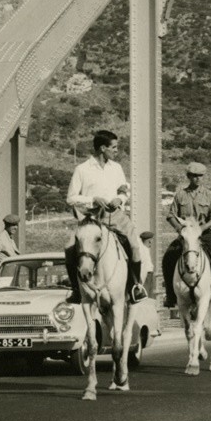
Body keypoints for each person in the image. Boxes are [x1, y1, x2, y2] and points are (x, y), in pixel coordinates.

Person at [64, 130, 148, 305]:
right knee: (69, 247)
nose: (116, 151)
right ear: (103, 148)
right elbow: (71, 198)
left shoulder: (116, 168)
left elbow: (124, 189)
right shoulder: (82, 169)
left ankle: (135, 287)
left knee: (133, 244)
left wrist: (120, 199)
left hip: (115, 215)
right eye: (114, 147)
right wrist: (92, 199)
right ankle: (76, 289)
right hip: (92, 218)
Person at [162, 162, 211, 308]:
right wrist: (179, 229)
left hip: (204, 235)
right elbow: (171, 215)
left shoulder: (209, 195)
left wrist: (203, 228)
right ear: (189, 177)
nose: (197, 179)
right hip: (186, 235)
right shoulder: (180, 195)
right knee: (168, 258)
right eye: (194, 176)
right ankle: (170, 294)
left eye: (200, 176)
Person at [140, 231, 155, 295]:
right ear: (149, 241)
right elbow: (142, 267)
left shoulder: (145, 249)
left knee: (149, 296)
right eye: (152, 240)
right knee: (145, 295)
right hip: (146, 277)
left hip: (149, 276)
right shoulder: (142, 250)